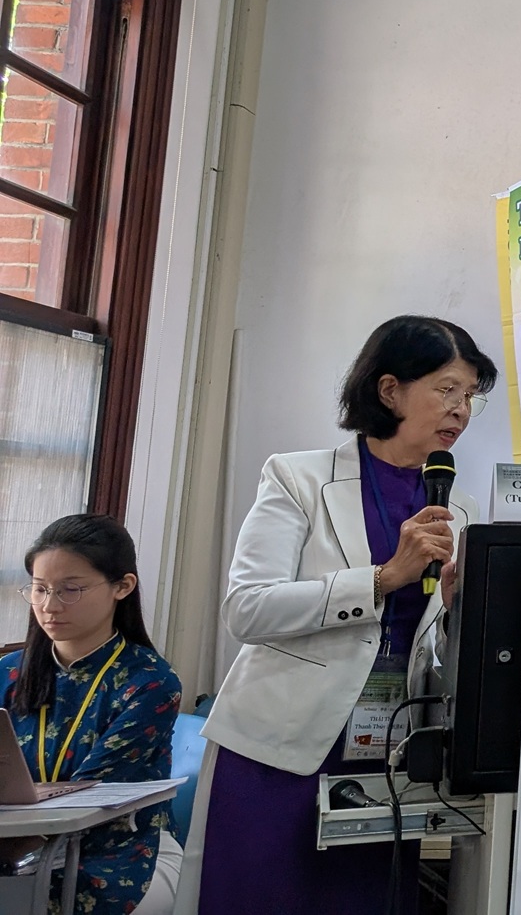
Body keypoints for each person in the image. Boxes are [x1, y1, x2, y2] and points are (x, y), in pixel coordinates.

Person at [192, 316, 495, 915]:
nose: (460, 410)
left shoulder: (458, 507)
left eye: (470, 396)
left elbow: (432, 650)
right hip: (283, 750)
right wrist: (382, 578)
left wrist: (457, 613)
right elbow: (247, 608)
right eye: (446, 389)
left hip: (387, 754)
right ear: (390, 390)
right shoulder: (297, 478)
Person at [0, 516, 179, 914]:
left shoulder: (150, 682)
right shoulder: (9, 672)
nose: (49, 606)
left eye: (70, 590)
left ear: (122, 586)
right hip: (14, 841)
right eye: (40, 589)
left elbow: (90, 799)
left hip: (116, 849)